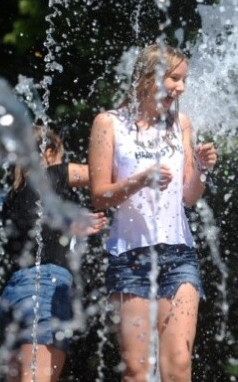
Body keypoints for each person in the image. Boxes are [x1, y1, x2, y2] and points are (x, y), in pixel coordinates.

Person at [87, 44, 218, 382]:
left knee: (178, 364)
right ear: (150, 77)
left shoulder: (181, 125)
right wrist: (140, 180)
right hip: (129, 256)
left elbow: (188, 197)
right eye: (175, 78)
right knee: (137, 370)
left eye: (184, 79)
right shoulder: (109, 123)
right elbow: (100, 195)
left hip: (179, 255)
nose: (181, 88)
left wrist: (201, 170)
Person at [0, 125, 107, 382]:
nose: (61, 162)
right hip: (45, 287)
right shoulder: (53, 173)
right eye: (60, 156)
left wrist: (70, 226)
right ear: (47, 153)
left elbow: (36, 234)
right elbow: (101, 174)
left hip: (14, 293)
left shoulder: (11, 197)